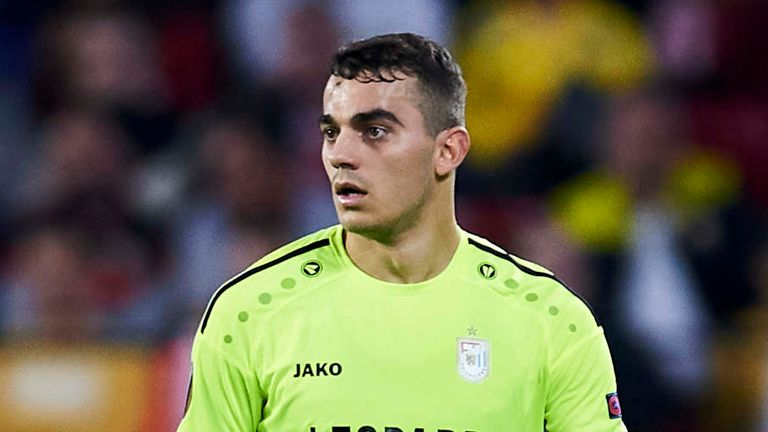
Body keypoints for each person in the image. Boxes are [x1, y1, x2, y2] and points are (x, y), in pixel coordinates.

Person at [177, 33, 627, 432]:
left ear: (448, 150)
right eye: (332, 132)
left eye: (374, 130)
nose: (341, 155)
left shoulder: (550, 320)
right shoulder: (249, 313)